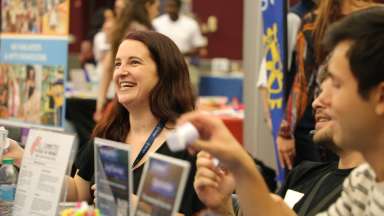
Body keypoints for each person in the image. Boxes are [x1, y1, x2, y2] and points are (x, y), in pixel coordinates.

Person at [178, 6, 384, 215]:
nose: (318, 103)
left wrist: (241, 167)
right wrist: (229, 196)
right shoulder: (365, 179)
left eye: (337, 85)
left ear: (381, 97)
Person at [4, 31, 205, 215]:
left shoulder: (188, 145)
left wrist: (136, 206)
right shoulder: (110, 133)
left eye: (134, 62)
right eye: (117, 64)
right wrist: (21, 157)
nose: (121, 72)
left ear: (165, 73)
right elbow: (77, 191)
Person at [193, 64, 364, 215]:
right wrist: (223, 206)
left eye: (336, 89)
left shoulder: (372, 191)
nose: (316, 102)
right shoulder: (303, 174)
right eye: (319, 92)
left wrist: (243, 167)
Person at [276, 0, 375, 170]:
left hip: (360, 119)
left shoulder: (373, 20)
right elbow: (302, 82)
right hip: (321, 124)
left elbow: (302, 83)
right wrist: (285, 131)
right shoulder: (312, 22)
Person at [95, 0, 160, 122]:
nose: (157, 12)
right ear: (147, 6)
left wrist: (100, 103)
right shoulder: (142, 33)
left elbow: (108, 67)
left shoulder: (122, 28)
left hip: (122, 97)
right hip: (137, 101)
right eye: (156, 8)